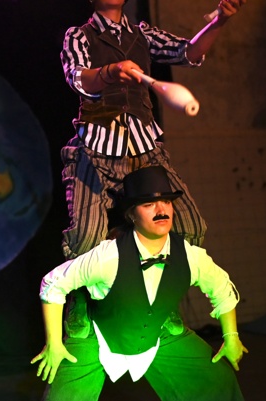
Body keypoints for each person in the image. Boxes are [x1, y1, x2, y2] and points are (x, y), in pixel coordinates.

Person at [60, 0, 245, 336]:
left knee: (190, 227)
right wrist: (110, 71)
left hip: (145, 148)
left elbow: (189, 53)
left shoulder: (142, 34)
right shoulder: (78, 36)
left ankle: (162, 298)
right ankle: (80, 300)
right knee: (86, 236)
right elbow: (79, 78)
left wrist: (219, 21)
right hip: (96, 148)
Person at [31, 165, 248, 401]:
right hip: (97, 331)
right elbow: (53, 284)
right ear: (132, 215)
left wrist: (231, 337)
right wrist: (53, 343)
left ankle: (165, 317)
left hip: (156, 330)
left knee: (218, 380)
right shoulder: (108, 257)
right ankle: (81, 307)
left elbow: (222, 290)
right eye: (149, 205)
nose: (161, 210)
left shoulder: (191, 256)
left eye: (166, 202)